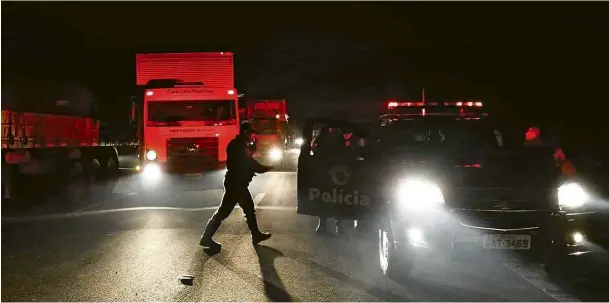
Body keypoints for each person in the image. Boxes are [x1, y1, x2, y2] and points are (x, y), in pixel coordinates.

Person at [199, 122, 273, 251]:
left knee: (248, 209)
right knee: (224, 212)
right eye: (250, 133)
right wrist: (265, 168)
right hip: (236, 184)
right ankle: (206, 237)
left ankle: (255, 235)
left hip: (237, 183)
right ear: (245, 132)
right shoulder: (237, 146)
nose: (252, 135)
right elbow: (248, 162)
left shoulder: (240, 145)